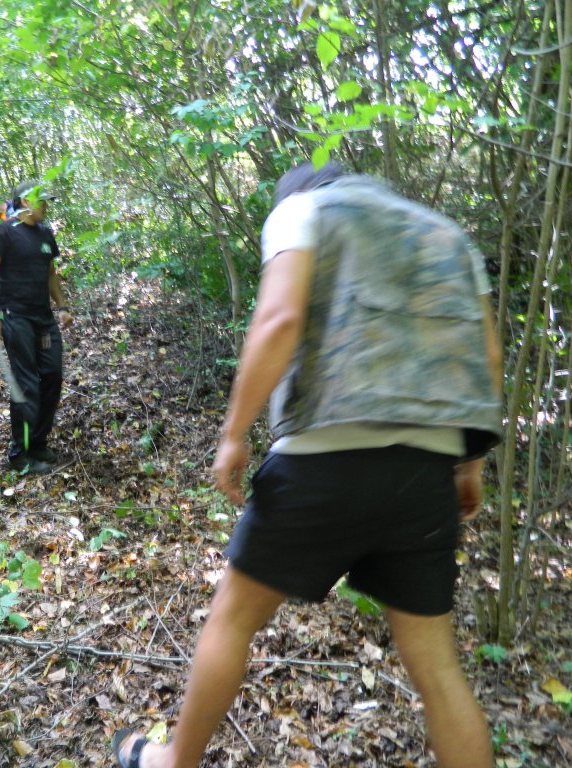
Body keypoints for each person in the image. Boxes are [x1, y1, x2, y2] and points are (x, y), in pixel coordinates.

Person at [112, 163, 503, 768]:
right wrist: (469, 461)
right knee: (438, 669)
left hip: (323, 459)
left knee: (232, 620)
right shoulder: (446, 235)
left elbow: (280, 320)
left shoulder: (303, 211)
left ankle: (173, 761)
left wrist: (234, 434)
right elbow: (486, 355)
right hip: (426, 472)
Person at [0, 180, 73, 474]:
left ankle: (38, 442)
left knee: (53, 377)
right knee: (27, 384)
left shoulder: (45, 234)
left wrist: (62, 306)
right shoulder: (4, 232)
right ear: (24, 202)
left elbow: (50, 274)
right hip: (15, 317)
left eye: (46, 201)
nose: (45, 206)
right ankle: (20, 454)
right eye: (40, 201)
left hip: (43, 319)